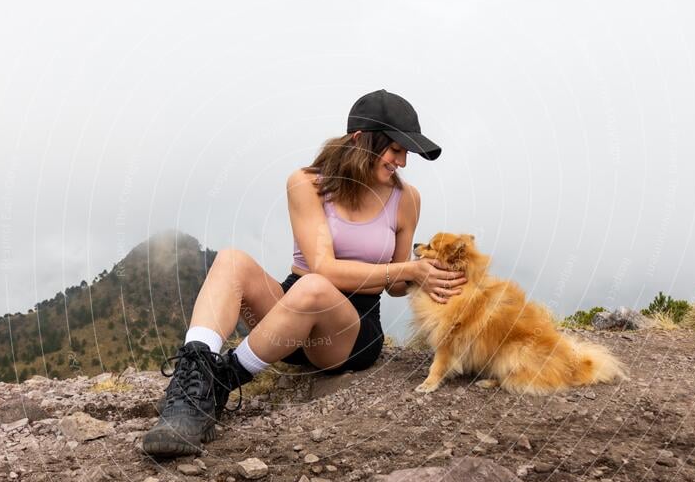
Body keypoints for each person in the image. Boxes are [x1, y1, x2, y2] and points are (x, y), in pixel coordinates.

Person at [142, 89, 467, 457]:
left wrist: (429, 273)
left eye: (406, 153)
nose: (402, 162)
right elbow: (323, 266)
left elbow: (393, 288)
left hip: (349, 332)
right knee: (232, 260)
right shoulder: (307, 183)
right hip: (290, 319)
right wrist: (409, 268)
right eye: (395, 149)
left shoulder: (407, 199)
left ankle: (221, 381)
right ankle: (189, 390)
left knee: (314, 288)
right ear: (360, 141)